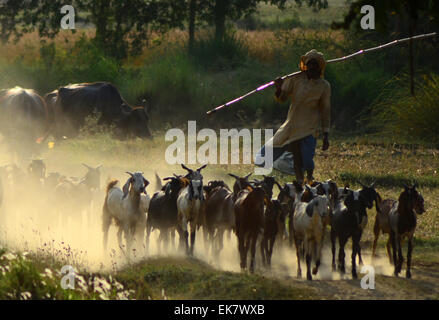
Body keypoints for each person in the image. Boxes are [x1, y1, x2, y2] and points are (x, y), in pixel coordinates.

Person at [256, 49, 331, 184]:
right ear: (305, 66)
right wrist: (279, 88)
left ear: (320, 67)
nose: (312, 67)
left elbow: (325, 110)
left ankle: (307, 181)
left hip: (309, 128)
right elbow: (282, 98)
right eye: (310, 64)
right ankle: (277, 176)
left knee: (306, 161)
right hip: (291, 125)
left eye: (315, 65)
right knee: (263, 156)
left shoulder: (324, 86)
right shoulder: (296, 79)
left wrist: (326, 134)